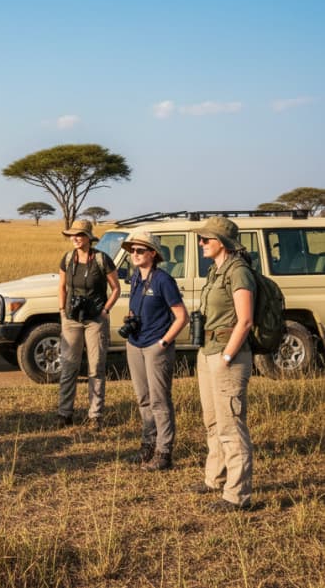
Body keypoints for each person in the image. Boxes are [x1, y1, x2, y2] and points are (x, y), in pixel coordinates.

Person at [193, 216, 255, 511]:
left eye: (206, 239)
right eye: (201, 239)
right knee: (213, 421)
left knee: (231, 425)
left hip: (227, 354)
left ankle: (237, 494)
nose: (201, 243)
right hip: (208, 351)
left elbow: (245, 320)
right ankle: (215, 478)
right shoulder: (215, 271)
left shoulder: (239, 272)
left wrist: (228, 356)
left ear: (223, 243)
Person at [121, 229, 189, 470]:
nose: (135, 254)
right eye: (132, 251)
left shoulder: (163, 280)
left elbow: (182, 317)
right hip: (135, 344)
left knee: (160, 400)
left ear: (153, 253)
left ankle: (164, 451)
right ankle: (147, 445)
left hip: (155, 346)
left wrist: (164, 342)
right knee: (143, 399)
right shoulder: (136, 278)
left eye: (140, 250)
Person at [56, 219, 121, 429]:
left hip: (95, 320)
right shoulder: (67, 259)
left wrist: (104, 310)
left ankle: (95, 415)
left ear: (88, 238)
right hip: (71, 319)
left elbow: (116, 288)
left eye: (79, 235)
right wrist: (62, 312)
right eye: (72, 235)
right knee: (69, 366)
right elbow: (62, 287)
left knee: (96, 367)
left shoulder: (102, 260)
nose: (74, 238)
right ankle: (64, 412)